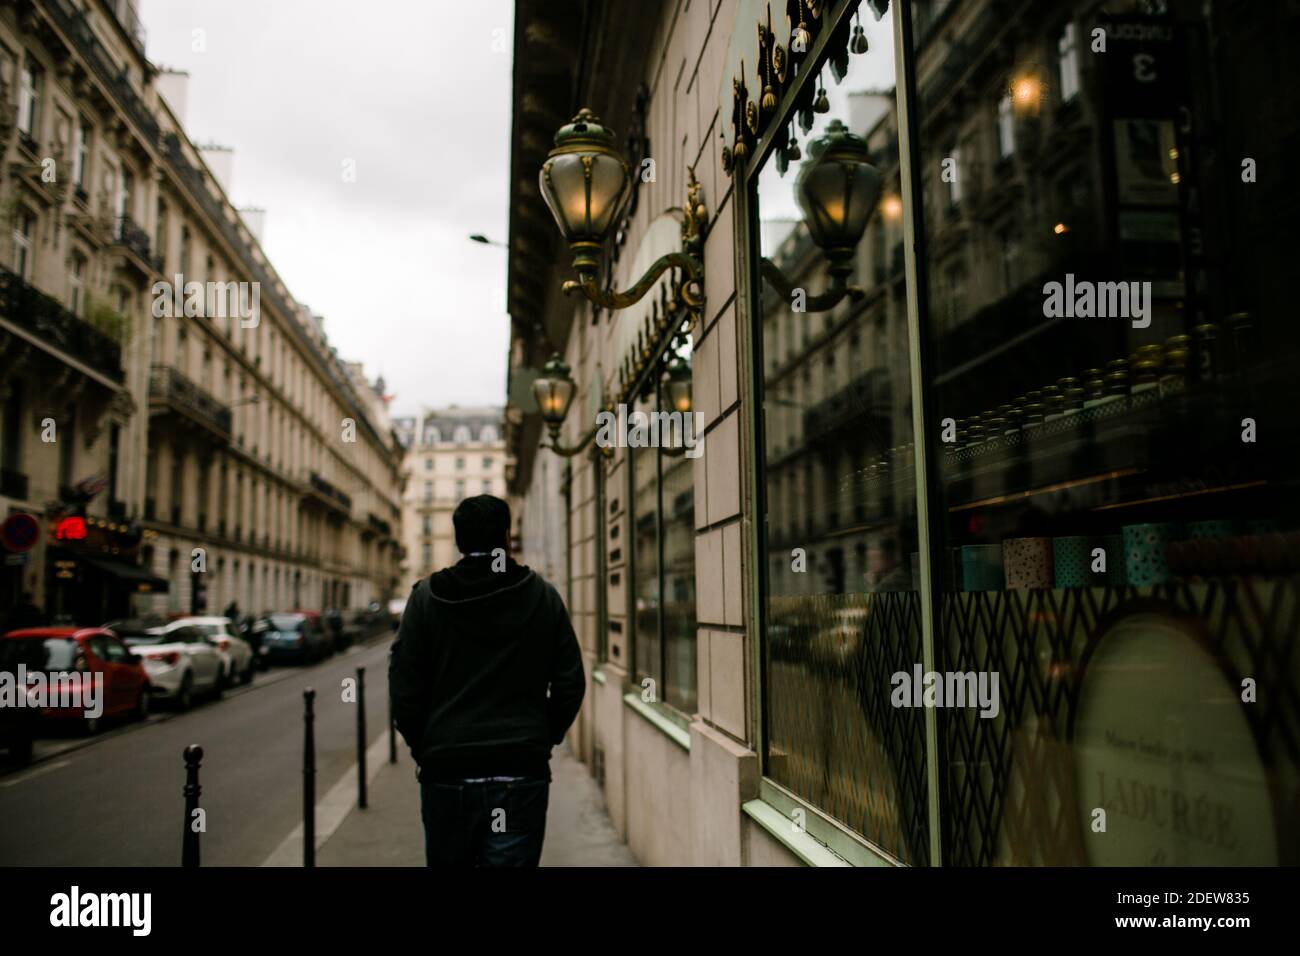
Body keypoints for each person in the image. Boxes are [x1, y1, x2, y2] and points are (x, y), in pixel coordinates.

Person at [389, 495, 585, 867]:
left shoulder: (425, 598)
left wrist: (427, 746)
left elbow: (404, 689)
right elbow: (570, 682)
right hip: (519, 773)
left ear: (459, 540)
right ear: (507, 537)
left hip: (448, 774)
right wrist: (540, 737)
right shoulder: (541, 595)